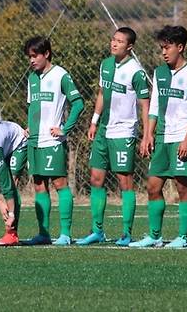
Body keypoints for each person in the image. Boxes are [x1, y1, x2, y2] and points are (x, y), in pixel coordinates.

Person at [130, 25, 187, 248]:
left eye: (168, 47)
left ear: (180, 47)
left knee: (182, 187)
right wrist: (148, 135)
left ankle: (183, 238)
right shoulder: (160, 72)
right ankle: (154, 236)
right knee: (153, 186)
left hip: (182, 137)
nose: (164, 52)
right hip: (161, 137)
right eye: (162, 47)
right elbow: (154, 105)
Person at [76, 27, 150, 247]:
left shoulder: (135, 71)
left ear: (130, 47)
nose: (114, 43)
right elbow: (101, 94)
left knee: (124, 182)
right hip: (103, 131)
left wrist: (146, 135)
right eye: (113, 39)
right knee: (96, 179)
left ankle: (126, 233)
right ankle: (97, 231)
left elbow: (144, 105)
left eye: (119, 41)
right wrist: (94, 121)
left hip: (123, 132)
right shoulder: (105, 65)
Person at [23, 36, 84, 246]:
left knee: (60, 184)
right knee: (39, 185)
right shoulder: (32, 78)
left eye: (35, 55)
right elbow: (33, 106)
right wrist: (30, 125)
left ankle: (65, 234)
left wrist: (65, 129)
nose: (31, 60)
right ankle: (44, 233)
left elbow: (78, 103)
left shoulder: (61, 75)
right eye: (29, 57)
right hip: (34, 140)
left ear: (46, 53)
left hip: (52, 141)